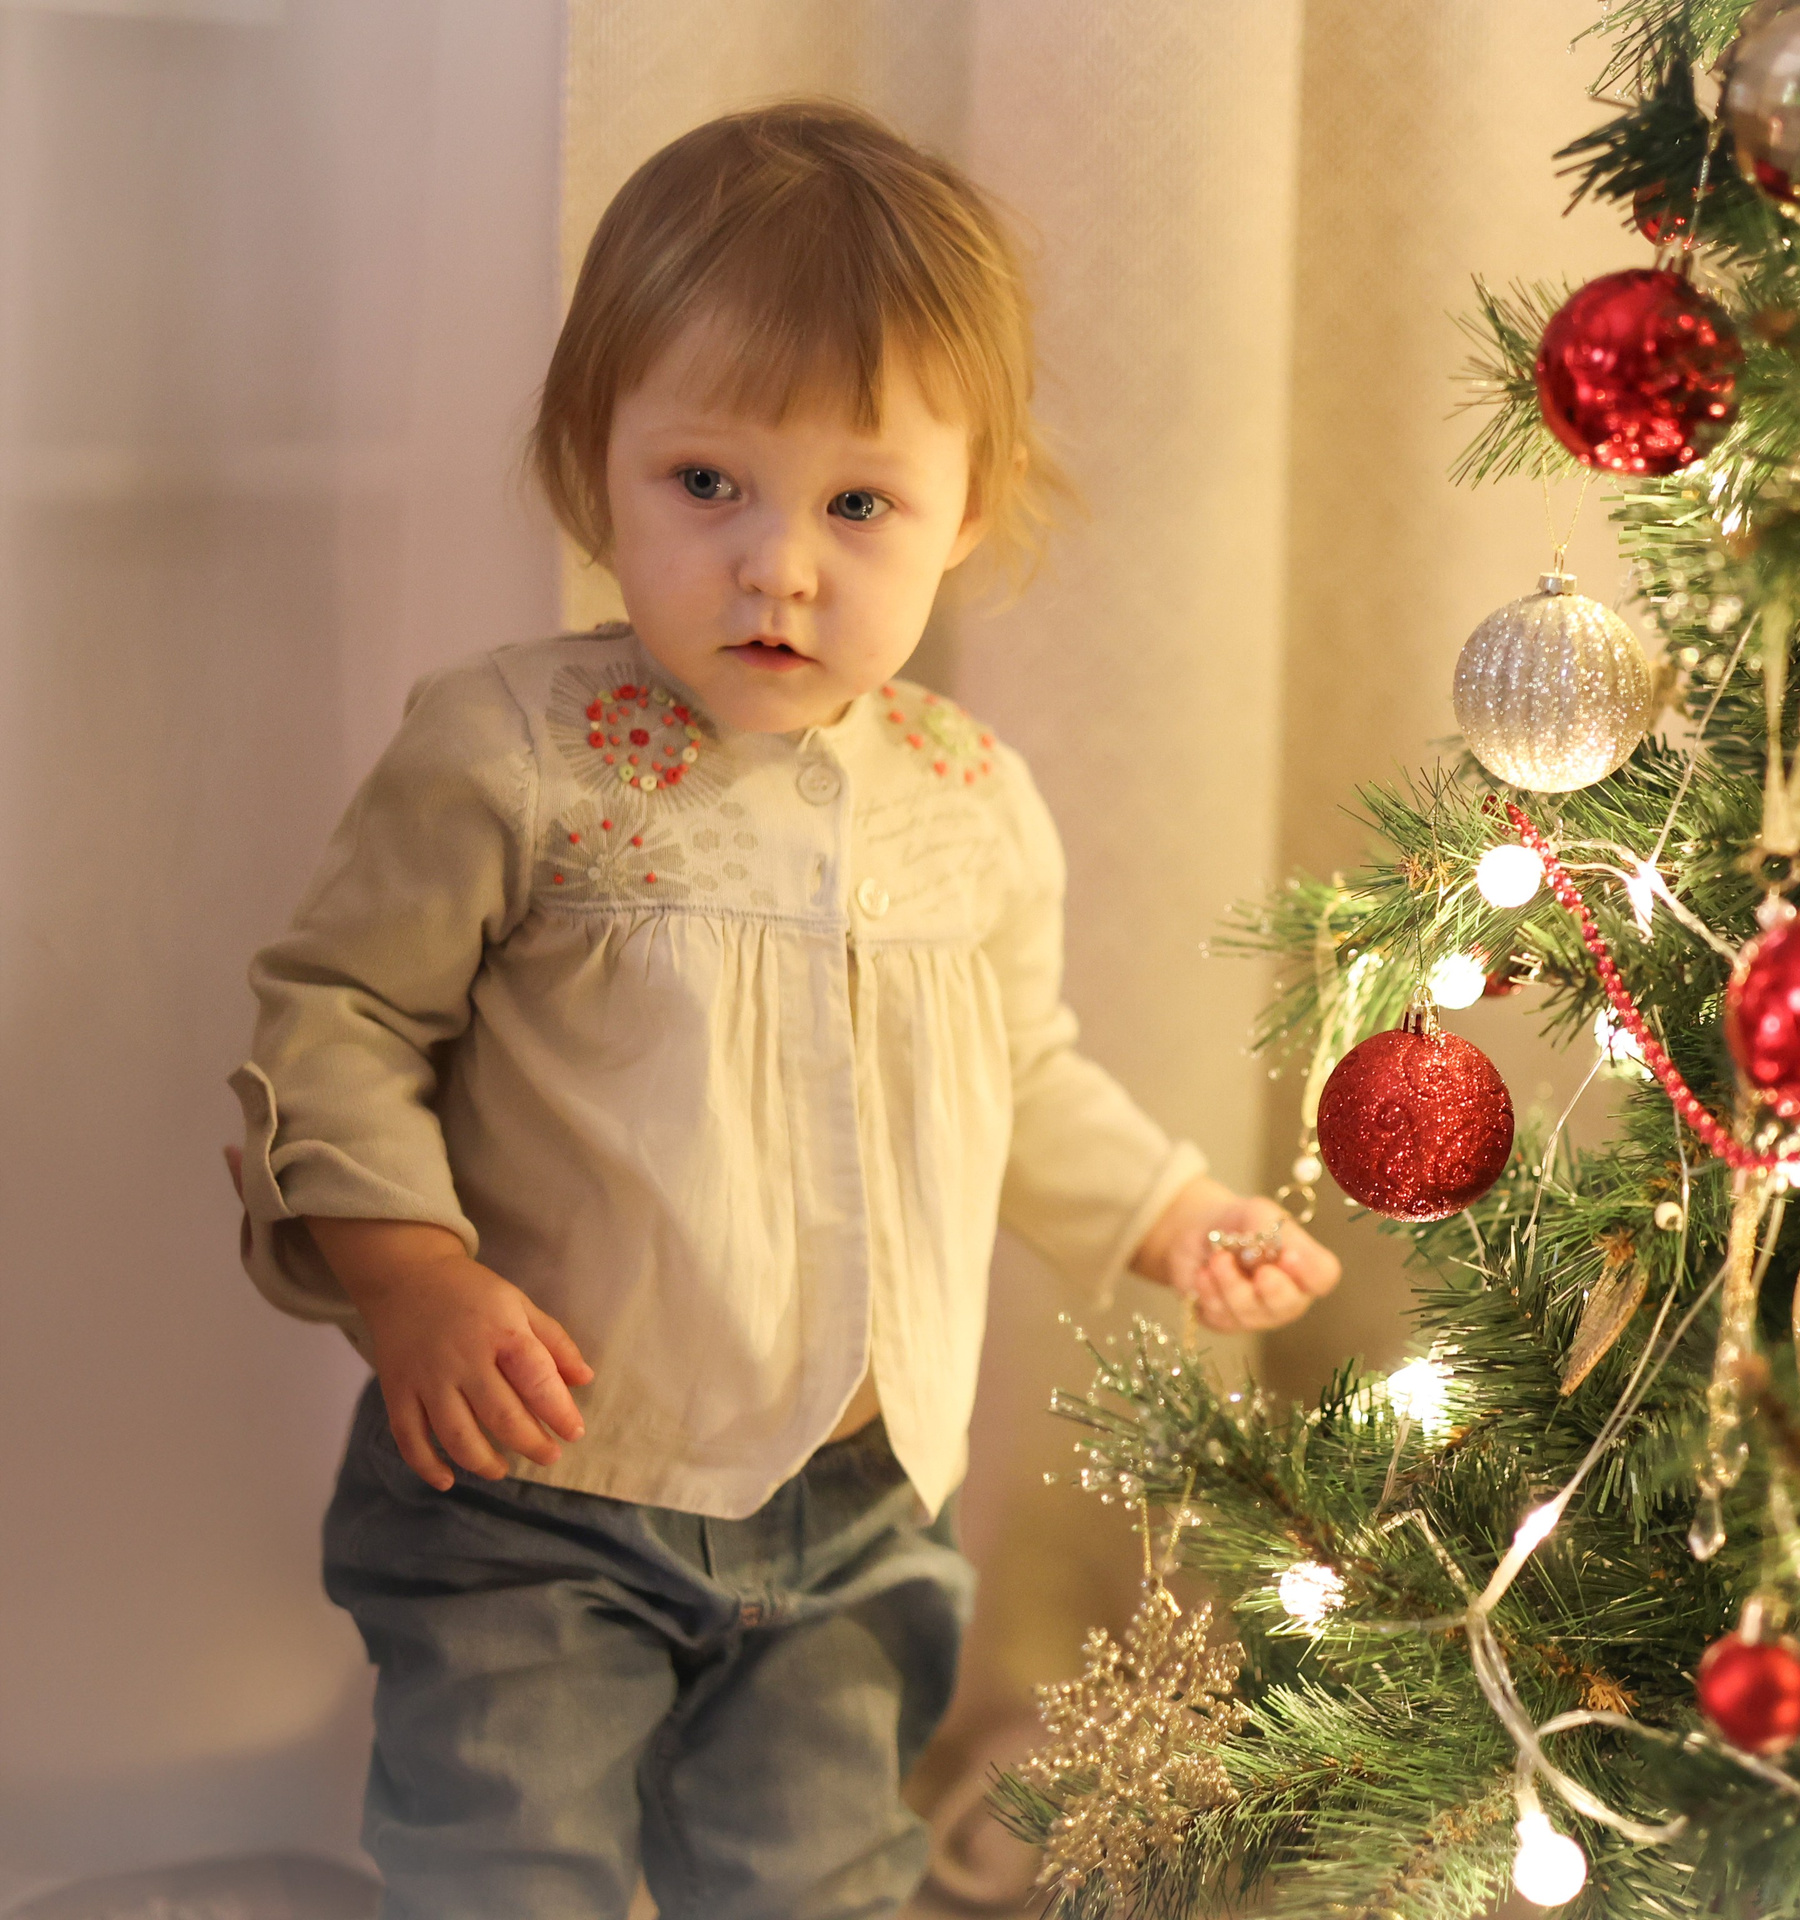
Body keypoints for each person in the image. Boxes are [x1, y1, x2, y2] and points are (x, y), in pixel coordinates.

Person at [227, 101, 1340, 1919]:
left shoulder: (972, 796)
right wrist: (407, 1268)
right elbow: (339, 1017)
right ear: (598, 467)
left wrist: (1167, 1213)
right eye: (707, 485)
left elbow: (1023, 1072)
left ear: (963, 506)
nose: (780, 565)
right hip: (536, 1495)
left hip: (854, 1513)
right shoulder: (514, 753)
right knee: (507, 1866)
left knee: (817, 1874)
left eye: (857, 503)